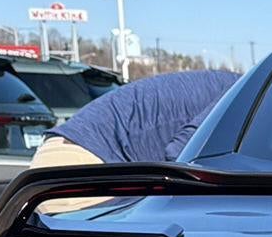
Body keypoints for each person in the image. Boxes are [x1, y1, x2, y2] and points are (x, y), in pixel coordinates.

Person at [30, 69, 239, 211]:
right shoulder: (242, 98)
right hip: (81, 163)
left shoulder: (243, 87)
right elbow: (183, 156)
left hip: (88, 159)